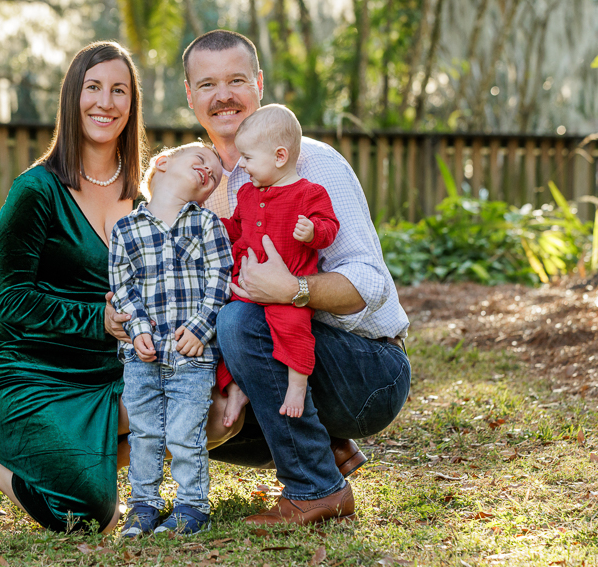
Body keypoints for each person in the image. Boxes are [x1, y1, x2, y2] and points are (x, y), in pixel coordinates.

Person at [183, 30, 412, 525]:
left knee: (241, 323)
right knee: (185, 367)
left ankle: (315, 489)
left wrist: (294, 289)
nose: (223, 95)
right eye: (208, 84)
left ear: (260, 84)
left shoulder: (313, 163)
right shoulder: (203, 180)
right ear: (190, 96)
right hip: (286, 362)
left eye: (236, 80)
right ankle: (326, 446)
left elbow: (368, 285)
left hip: (369, 372)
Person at [0, 41, 146, 533]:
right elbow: (10, 299)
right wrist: (98, 318)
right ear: (73, 97)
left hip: (107, 378)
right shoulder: (37, 190)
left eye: (119, 90)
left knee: (208, 413)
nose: (105, 102)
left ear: (131, 104)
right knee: (89, 517)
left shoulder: (144, 198)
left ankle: (73, 466)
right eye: (92, 88)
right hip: (33, 375)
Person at [109, 142, 233, 537]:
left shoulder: (207, 224)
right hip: (140, 356)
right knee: (145, 432)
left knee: (185, 432)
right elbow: (122, 286)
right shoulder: (126, 228)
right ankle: (143, 505)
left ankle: (192, 506)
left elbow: (221, 279)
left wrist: (200, 328)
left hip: (190, 355)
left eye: (214, 175)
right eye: (201, 161)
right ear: (162, 164)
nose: (208, 173)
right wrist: (138, 328)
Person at [217, 104, 339, 420]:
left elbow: (329, 227)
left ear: (280, 157)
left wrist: (312, 231)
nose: (241, 166)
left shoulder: (309, 194)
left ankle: (297, 385)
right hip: (243, 285)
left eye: (248, 158)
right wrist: (215, 225)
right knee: (221, 329)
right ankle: (236, 387)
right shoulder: (246, 194)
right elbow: (237, 226)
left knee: (294, 330)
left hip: (287, 289)